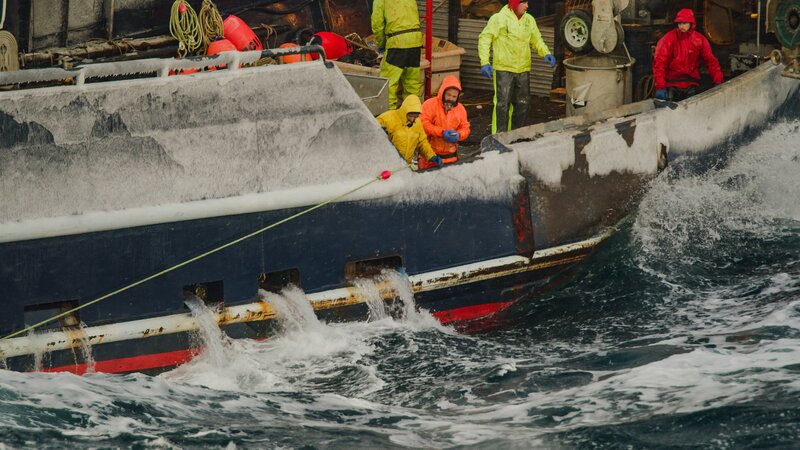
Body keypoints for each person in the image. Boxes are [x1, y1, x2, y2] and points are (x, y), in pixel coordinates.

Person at [478, 0, 556, 133]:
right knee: (502, 105)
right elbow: (485, 38)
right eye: (523, 2)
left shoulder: (529, 20)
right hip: (504, 69)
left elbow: (536, 39)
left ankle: (517, 136)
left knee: (522, 104)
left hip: (523, 69)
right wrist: (484, 62)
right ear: (514, 3)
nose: (527, 6)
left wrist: (546, 53)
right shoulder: (498, 19)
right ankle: (499, 137)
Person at [653, 8, 723, 102]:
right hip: (672, 84)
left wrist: (718, 81)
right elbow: (659, 63)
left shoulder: (699, 40)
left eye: (684, 23)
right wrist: (660, 86)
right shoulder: (668, 39)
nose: (681, 26)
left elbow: (711, 61)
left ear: (691, 23)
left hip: (691, 84)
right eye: (679, 23)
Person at [371, 0, 423, 110]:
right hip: (415, 41)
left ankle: (387, 118)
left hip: (397, 42)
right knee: (412, 85)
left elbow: (377, 23)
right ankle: (413, 116)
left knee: (388, 87)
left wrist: (382, 43)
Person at [377, 95, 443, 170]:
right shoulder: (386, 119)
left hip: (404, 166)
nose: (412, 119)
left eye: (415, 116)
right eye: (410, 116)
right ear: (404, 111)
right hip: (385, 166)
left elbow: (422, 142)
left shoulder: (417, 123)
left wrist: (431, 156)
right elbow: (371, 136)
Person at [419, 75, 471, 170]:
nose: (451, 98)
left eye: (454, 96)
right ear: (442, 92)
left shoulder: (460, 109)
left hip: (451, 157)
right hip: (430, 157)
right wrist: (442, 132)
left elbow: (465, 128)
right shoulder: (429, 104)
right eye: (448, 95)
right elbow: (423, 124)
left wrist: (459, 135)